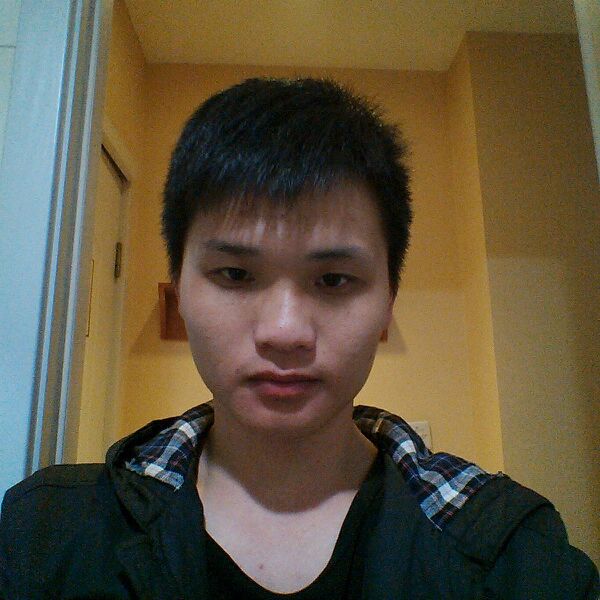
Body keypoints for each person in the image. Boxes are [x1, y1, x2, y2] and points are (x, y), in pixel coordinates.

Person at [0, 77, 597, 599]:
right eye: (235, 275)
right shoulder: (48, 533)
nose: (285, 331)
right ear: (179, 289)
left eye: (334, 280)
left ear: (388, 301)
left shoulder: (506, 549)